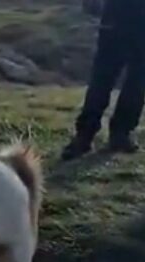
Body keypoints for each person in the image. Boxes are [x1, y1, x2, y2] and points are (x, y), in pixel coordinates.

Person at [61, 0, 145, 160]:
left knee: (130, 79)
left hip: (120, 14)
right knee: (112, 77)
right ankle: (93, 134)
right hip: (119, 13)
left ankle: (107, 134)